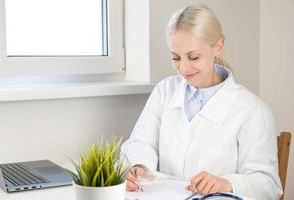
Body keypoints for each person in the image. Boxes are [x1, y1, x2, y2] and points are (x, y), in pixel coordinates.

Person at [120, 3, 282, 200]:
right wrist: (138, 166)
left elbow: (268, 185)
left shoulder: (253, 110)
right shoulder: (165, 91)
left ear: (218, 46)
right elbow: (141, 142)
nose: (183, 68)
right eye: (176, 57)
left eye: (193, 57)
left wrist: (226, 183)